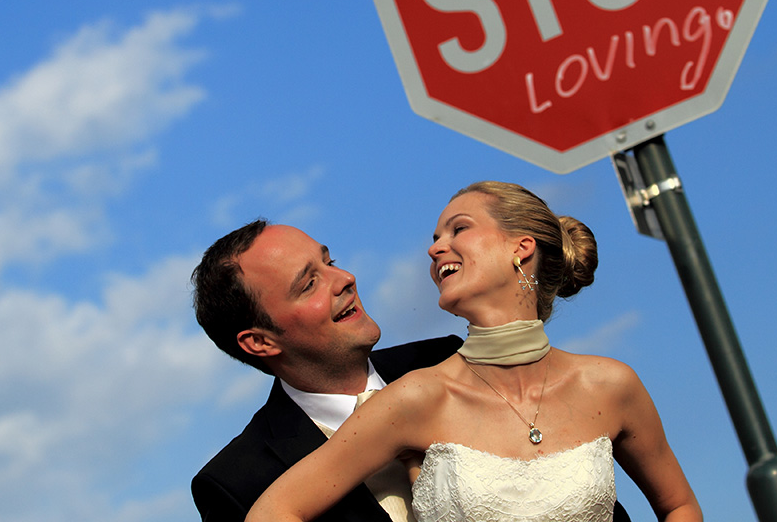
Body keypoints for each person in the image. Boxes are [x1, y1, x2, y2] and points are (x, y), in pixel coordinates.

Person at [246, 182, 701, 522]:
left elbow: (679, 504)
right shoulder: (415, 397)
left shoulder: (610, 385)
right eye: (436, 236)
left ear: (521, 248)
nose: (434, 247)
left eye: (458, 228)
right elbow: (273, 512)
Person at [190, 219, 463, 522]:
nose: (346, 278)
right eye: (309, 284)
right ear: (260, 342)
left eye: (330, 262)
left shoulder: (448, 358)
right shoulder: (236, 484)